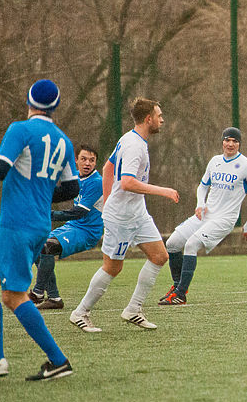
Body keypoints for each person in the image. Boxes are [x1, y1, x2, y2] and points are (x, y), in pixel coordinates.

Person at [0, 79, 80, 380]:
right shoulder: (64, 141)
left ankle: (58, 360)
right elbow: (71, 188)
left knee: (13, 296)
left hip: (17, 224)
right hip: (38, 224)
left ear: (29, 101)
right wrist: (39, 194)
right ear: (55, 107)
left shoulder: (20, 130)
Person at [69, 98, 179, 332]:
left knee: (159, 256)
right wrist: (164, 191)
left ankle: (133, 309)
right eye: (159, 115)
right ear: (148, 119)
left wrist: (108, 198)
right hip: (121, 218)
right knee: (112, 267)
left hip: (137, 213)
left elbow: (108, 168)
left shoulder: (130, 138)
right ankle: (80, 312)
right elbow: (128, 182)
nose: (162, 119)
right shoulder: (134, 145)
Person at [158, 127, 247, 305]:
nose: (230, 144)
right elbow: (202, 186)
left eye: (235, 141)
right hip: (206, 215)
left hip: (224, 219)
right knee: (173, 243)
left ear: (239, 144)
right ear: (222, 141)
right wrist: (200, 204)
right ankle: (177, 286)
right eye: (227, 140)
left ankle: (180, 295)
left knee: (191, 244)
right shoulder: (214, 161)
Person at [28, 145, 103, 310]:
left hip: (88, 231)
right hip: (73, 227)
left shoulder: (97, 182)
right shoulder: (76, 177)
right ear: (76, 160)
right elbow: (58, 191)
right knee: (36, 246)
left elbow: (78, 213)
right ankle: (54, 298)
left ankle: (38, 292)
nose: (87, 163)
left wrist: (50, 214)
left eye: (92, 160)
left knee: (48, 246)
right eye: (83, 159)